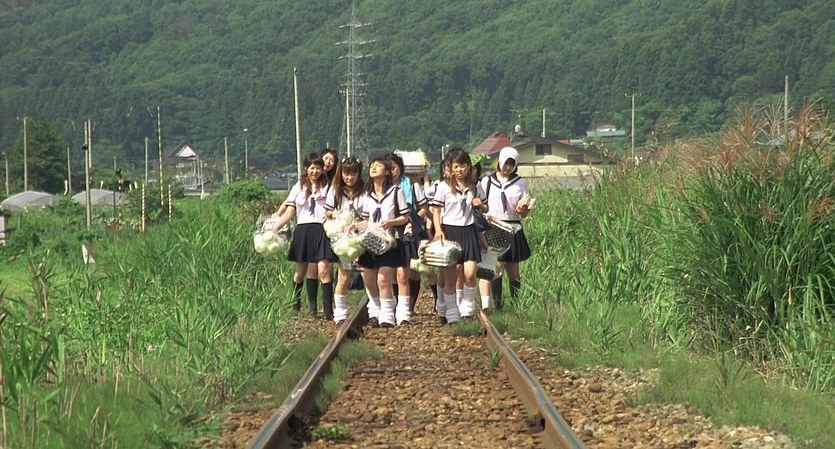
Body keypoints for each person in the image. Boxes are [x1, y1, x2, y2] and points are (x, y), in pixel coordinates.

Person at [270, 152, 337, 317]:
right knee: (300, 272)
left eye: (318, 168)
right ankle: (298, 304)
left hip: (321, 230)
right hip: (303, 230)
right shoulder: (298, 187)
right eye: (312, 168)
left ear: (322, 169)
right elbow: (289, 212)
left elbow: (333, 209)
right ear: (306, 168)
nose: (315, 171)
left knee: (323, 270)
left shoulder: (328, 187)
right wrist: (275, 228)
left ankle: (328, 311)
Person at [429, 148, 486, 323]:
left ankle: (467, 309)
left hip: (469, 231)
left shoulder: (475, 186)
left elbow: (485, 208)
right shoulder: (444, 187)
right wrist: (438, 230)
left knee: (469, 273)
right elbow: (436, 211)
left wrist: (480, 204)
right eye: (456, 166)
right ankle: (451, 313)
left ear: (468, 167)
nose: (459, 170)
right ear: (451, 168)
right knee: (450, 277)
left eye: (463, 166)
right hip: (450, 231)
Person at [352, 156, 410, 328]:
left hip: (388, 242)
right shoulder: (367, 195)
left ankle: (387, 315)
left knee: (383, 279)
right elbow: (366, 219)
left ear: (386, 172)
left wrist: (391, 222)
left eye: (378, 166)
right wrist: (355, 226)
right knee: (370, 280)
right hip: (370, 242)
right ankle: (376, 310)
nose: (373, 168)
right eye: (372, 166)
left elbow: (405, 217)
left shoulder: (396, 192)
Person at [480, 147, 531, 308]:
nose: (508, 167)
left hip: (513, 226)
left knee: (513, 268)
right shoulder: (487, 181)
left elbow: (524, 213)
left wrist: (523, 209)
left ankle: (516, 304)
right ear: (500, 161)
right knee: (497, 266)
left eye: (511, 164)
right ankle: (497, 304)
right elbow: (482, 205)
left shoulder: (521, 183)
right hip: (493, 226)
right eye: (506, 163)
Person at [386, 152, 427, 325]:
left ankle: (407, 307)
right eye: (388, 168)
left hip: (409, 231)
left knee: (407, 270)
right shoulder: (382, 187)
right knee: (391, 272)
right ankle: (395, 305)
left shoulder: (411, 185)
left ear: (400, 168)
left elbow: (424, 207)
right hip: (388, 231)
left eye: (394, 167)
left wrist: (414, 222)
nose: (391, 171)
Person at [324, 156, 364, 324]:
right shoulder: (335, 191)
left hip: (362, 237)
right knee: (344, 275)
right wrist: (338, 215)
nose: (349, 177)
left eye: (353, 173)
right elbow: (327, 212)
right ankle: (340, 313)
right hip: (344, 241)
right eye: (346, 173)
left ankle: (375, 311)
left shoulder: (365, 191)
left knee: (368, 275)